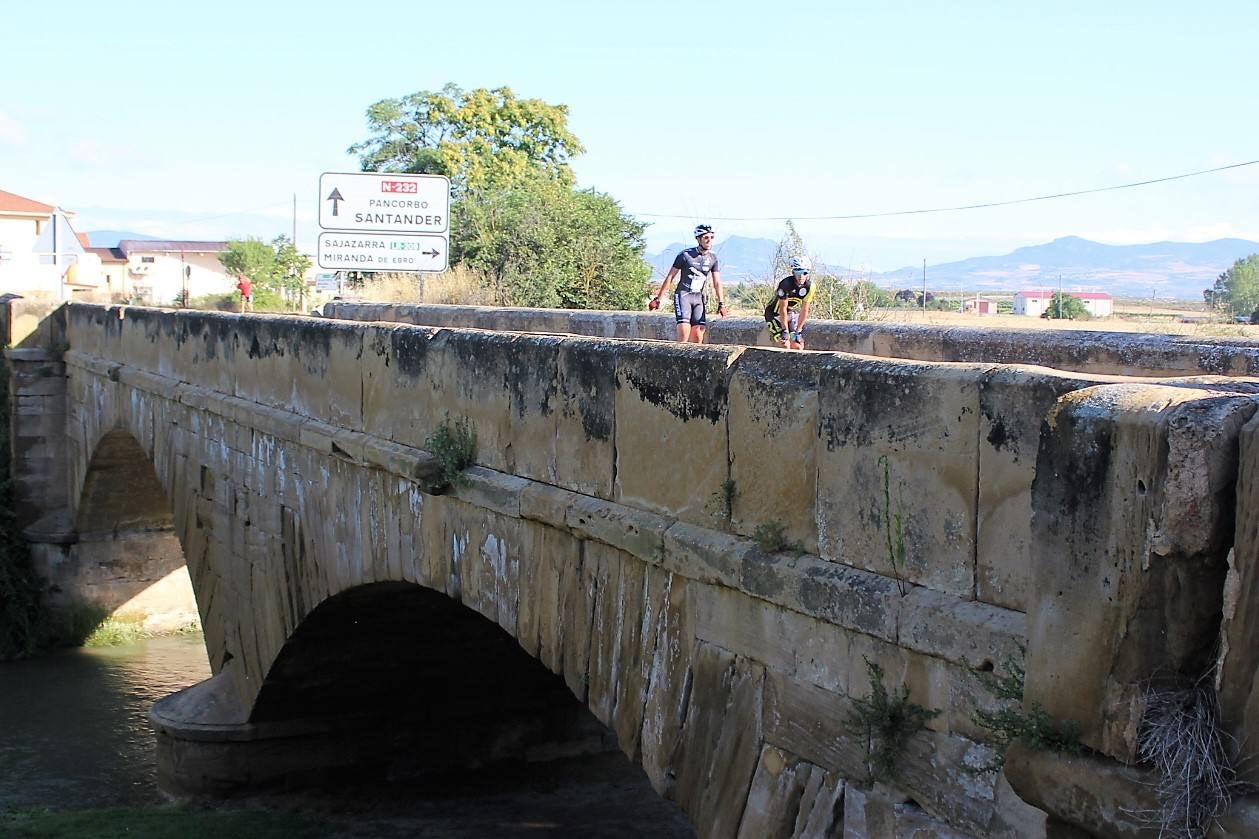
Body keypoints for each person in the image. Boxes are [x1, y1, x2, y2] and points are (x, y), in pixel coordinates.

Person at [648, 223, 728, 343]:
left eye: (711, 238)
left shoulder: (713, 258)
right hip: (683, 295)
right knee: (684, 332)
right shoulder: (685, 255)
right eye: (706, 238)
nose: (709, 241)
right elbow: (670, 277)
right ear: (698, 239)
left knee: (698, 334)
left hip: (698, 297)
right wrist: (658, 298)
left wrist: (721, 303)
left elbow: (717, 282)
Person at [764, 256, 815, 349]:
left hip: (790, 313)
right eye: (798, 272)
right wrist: (785, 330)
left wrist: (798, 331)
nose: (801, 276)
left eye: (804, 273)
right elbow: (782, 308)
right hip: (773, 314)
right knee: (785, 344)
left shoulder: (810, 287)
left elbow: (804, 310)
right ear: (793, 272)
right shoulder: (785, 284)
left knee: (798, 346)